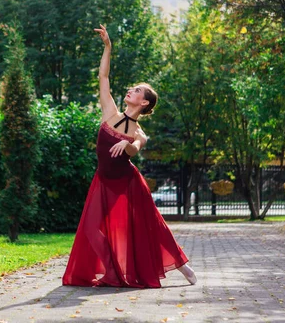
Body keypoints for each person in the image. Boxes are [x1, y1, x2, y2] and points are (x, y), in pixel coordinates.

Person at [62, 24, 197, 288]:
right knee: (90, 229)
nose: (131, 91)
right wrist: (108, 47)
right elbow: (103, 78)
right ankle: (112, 271)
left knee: (152, 225)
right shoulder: (110, 112)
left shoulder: (139, 132)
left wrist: (127, 146)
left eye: (137, 90)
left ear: (143, 102)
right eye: (132, 88)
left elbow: (136, 146)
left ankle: (183, 266)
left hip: (128, 184)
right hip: (103, 181)